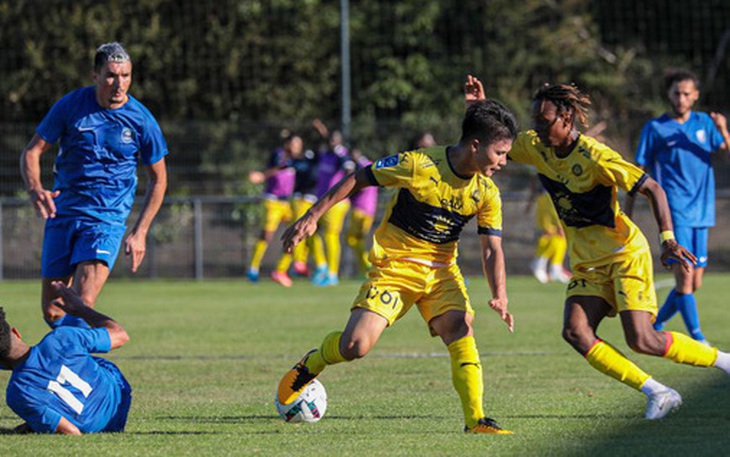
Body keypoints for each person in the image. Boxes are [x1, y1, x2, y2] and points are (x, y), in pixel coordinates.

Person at [465, 75, 730, 420]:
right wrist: (480, 110)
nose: (537, 130)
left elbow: (654, 189)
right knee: (575, 332)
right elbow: (497, 145)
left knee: (643, 340)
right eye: (535, 123)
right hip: (588, 262)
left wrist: (666, 240)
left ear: (567, 119)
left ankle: (725, 361)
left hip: (623, 256)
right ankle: (659, 392)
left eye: (544, 123)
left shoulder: (595, 156)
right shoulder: (536, 145)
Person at [277, 99, 518, 434]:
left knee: (459, 327)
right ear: (476, 145)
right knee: (354, 346)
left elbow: (492, 249)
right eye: (500, 153)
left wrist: (500, 295)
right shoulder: (419, 165)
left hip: (441, 271)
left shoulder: (486, 192)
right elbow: (359, 178)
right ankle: (310, 364)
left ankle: (475, 419)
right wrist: (312, 216)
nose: (504, 162)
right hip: (395, 267)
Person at [19, 42, 168, 328]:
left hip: (106, 220)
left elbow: (159, 178)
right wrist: (35, 188)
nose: (119, 83)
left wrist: (140, 231)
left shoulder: (142, 121)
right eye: (111, 75)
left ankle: (80, 367)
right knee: (53, 311)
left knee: (81, 303)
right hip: (63, 214)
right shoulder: (71, 106)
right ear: (95, 76)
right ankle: (72, 358)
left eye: (125, 75)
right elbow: (32, 151)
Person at [626, 69, 730, 344]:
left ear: (695, 96)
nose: (681, 98)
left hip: (702, 211)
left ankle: (656, 324)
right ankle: (699, 338)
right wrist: (627, 208)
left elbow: (725, 150)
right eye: (676, 93)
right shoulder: (655, 128)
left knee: (694, 283)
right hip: (674, 211)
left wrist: (723, 130)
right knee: (684, 282)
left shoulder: (705, 124)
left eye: (686, 93)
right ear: (669, 94)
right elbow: (639, 170)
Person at [1, 282, 131, 434]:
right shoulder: (62, 337)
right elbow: (121, 336)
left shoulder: (17, 394)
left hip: (104, 428)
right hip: (119, 394)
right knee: (77, 355)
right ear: (16, 333)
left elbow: (71, 432)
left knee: (39, 399)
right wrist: (81, 309)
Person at [247, 133, 303, 287]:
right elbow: (278, 167)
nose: (298, 147)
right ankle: (253, 268)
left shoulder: (298, 160)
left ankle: (281, 270)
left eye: (299, 145)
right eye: (295, 144)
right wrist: (262, 176)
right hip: (272, 201)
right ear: (287, 144)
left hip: (287, 203)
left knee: (296, 234)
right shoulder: (280, 155)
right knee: (267, 235)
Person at [310, 120, 356, 286]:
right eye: (330, 139)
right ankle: (322, 266)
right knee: (312, 231)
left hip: (336, 202)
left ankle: (332, 273)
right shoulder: (326, 153)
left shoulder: (341, 155)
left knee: (331, 236)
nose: (332, 142)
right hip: (322, 200)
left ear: (340, 141)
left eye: (335, 140)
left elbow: (350, 168)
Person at [524, 179, 570, 284]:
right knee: (550, 233)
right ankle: (539, 263)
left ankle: (555, 267)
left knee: (560, 237)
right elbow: (535, 183)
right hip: (550, 199)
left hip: (553, 198)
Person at [345, 147, 378, 277]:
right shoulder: (371, 165)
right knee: (358, 239)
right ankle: (364, 267)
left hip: (360, 208)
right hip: (369, 209)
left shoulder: (362, 167)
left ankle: (366, 266)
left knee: (352, 239)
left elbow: (362, 187)